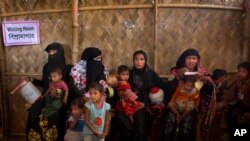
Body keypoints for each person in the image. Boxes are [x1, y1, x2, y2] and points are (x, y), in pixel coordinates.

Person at [113, 50, 166, 141]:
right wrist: (120, 93)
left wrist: (150, 103)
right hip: (128, 102)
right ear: (133, 61)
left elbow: (163, 87)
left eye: (142, 59)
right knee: (120, 116)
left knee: (140, 119)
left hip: (145, 103)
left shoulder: (151, 73)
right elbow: (120, 88)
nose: (139, 62)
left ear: (145, 61)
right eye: (136, 59)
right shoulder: (129, 74)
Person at [26, 42, 72, 141]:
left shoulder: (67, 68)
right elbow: (45, 84)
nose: (51, 54)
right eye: (49, 52)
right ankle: (37, 138)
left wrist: (60, 94)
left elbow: (69, 88)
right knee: (34, 110)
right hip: (45, 97)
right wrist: (33, 80)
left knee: (53, 115)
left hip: (58, 100)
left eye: (54, 51)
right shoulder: (46, 67)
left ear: (60, 52)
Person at [165, 48, 211, 141]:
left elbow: (210, 91)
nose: (191, 61)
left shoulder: (201, 72)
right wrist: (177, 76)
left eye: (194, 58)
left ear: (197, 60)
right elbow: (168, 90)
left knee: (187, 124)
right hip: (177, 103)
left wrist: (204, 80)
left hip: (192, 104)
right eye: (188, 58)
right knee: (171, 120)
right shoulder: (176, 71)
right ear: (183, 59)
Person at [228, 62, 250, 138]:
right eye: (239, 71)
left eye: (244, 72)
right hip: (240, 102)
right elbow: (234, 92)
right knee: (229, 108)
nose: (240, 73)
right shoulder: (238, 81)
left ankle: (237, 134)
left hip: (248, 104)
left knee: (235, 112)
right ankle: (230, 131)